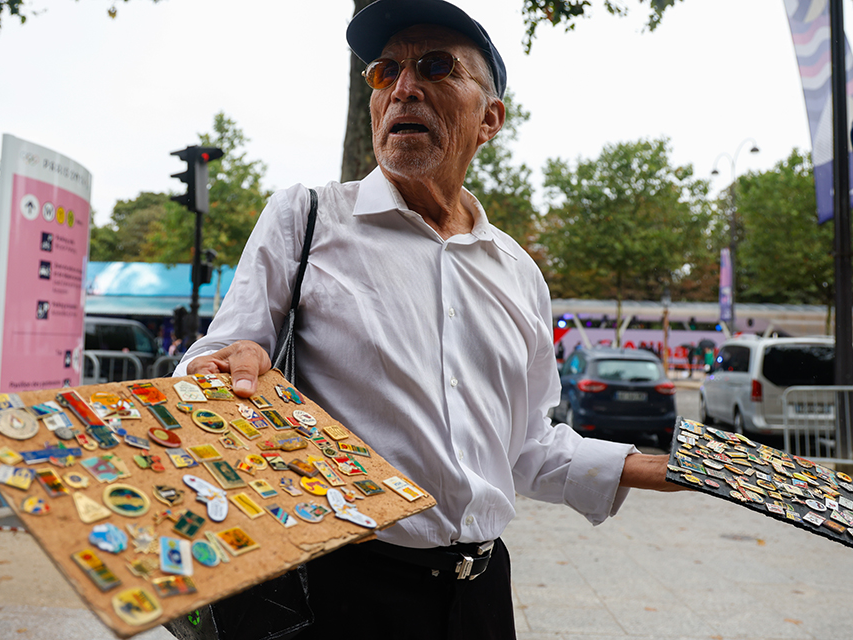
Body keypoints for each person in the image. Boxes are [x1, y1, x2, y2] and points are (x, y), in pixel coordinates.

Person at [174, 1, 683, 637]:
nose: (404, 86)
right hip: (339, 591)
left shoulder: (518, 272)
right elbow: (219, 353)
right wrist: (226, 363)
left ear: (489, 118)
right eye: (385, 72)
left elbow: (526, 449)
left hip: (481, 596)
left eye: (436, 67)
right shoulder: (305, 219)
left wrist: (672, 469)